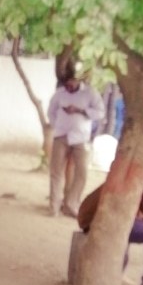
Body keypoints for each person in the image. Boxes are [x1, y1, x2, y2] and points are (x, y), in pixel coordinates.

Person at [47, 68, 103, 217]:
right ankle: (54, 206)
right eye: (66, 84)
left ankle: (71, 204)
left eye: (71, 83)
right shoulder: (59, 94)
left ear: (77, 80)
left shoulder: (90, 93)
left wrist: (81, 111)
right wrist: (57, 125)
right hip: (61, 136)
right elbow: (51, 112)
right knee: (56, 172)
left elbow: (100, 112)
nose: (68, 86)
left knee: (82, 172)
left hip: (81, 137)